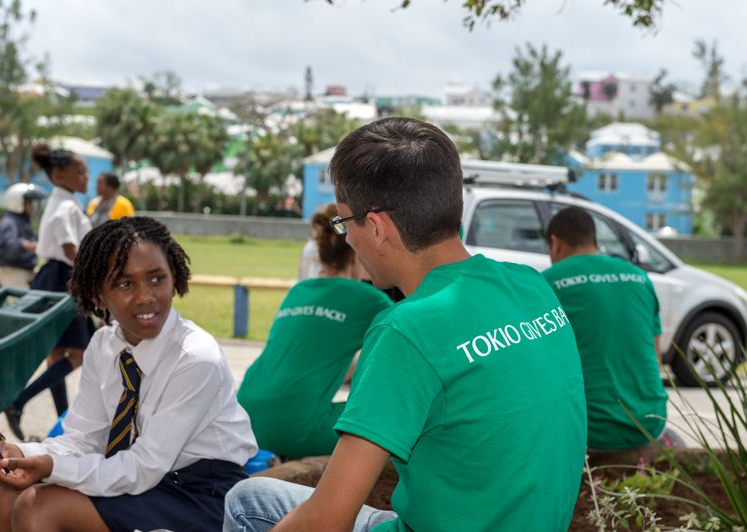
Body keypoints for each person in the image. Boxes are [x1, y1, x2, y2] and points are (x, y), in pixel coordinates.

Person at [224, 117, 587, 531]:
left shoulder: (406, 329)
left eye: (344, 223)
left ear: (377, 228)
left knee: (247, 500)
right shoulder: (531, 286)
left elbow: (326, 522)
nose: (347, 239)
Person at [0, 216, 257, 532]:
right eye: (125, 284)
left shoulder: (195, 357)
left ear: (174, 278)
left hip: (202, 493)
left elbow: (145, 466)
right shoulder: (104, 345)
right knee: (4, 497)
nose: (145, 296)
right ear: (98, 296)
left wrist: (51, 468)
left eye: (157, 279)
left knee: (39, 507)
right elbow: (84, 439)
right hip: (141, 476)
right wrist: (17, 453)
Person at [238, 204, 392, 458]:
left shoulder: (298, 291)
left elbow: (313, 357)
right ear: (356, 253)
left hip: (245, 416)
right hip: (296, 429)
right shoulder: (369, 299)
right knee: (395, 416)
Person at [542, 206, 668, 450]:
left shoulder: (548, 282)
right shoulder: (639, 277)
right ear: (595, 241)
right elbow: (656, 358)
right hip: (650, 422)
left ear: (555, 243)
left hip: (592, 430)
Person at [3, 144, 94, 441]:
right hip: (64, 277)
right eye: (79, 172)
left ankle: (63, 425)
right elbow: (70, 248)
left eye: (86, 172)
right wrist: (94, 276)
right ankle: (19, 401)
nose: (86, 177)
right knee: (79, 353)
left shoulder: (62, 201)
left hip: (51, 276)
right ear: (58, 176)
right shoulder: (66, 206)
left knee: (57, 355)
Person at [0, 183, 45, 289]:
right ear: (18, 202)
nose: (32, 206)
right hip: (12, 272)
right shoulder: (9, 222)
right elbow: (7, 248)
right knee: (22, 299)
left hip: (23, 271)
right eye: (29, 202)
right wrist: (24, 245)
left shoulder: (21, 221)